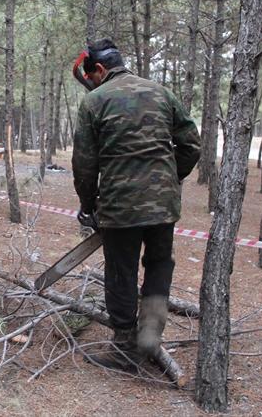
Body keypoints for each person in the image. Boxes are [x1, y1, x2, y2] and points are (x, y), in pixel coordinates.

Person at [71, 39, 201, 371]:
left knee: (121, 273)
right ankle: (151, 335)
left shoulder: (93, 102)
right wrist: (168, 180)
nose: (92, 83)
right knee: (159, 264)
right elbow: (190, 145)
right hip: (163, 204)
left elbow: (84, 165)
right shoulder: (161, 92)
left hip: (120, 206)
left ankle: (125, 349)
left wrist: (88, 205)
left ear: (99, 70)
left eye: (93, 76)